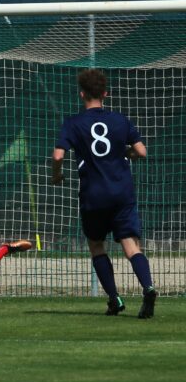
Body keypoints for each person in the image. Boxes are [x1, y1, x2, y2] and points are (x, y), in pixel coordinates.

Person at [51, 68, 157, 318]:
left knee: (97, 245)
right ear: (105, 94)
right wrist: (125, 154)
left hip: (94, 195)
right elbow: (141, 152)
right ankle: (148, 287)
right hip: (122, 192)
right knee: (131, 246)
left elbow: (58, 155)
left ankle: (114, 298)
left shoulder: (73, 123)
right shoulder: (120, 119)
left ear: (82, 94)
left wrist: (56, 175)